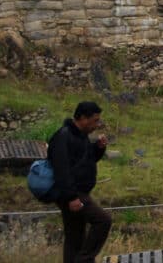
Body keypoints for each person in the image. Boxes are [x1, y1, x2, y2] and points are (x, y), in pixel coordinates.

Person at [48, 101, 112, 263]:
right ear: (83, 118)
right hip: (73, 193)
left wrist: (98, 148)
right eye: (95, 120)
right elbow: (61, 170)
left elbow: (86, 162)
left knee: (75, 238)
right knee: (103, 220)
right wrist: (71, 197)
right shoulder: (63, 136)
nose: (98, 124)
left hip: (76, 193)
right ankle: (84, 260)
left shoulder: (80, 136)